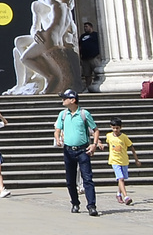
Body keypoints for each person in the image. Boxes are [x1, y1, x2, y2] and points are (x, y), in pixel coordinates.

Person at [53, 88, 100, 216]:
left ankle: (91, 205)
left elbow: (95, 130)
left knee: (87, 178)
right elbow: (57, 129)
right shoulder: (62, 114)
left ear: (73, 100)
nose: (63, 100)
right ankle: (75, 202)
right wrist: (57, 139)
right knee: (70, 179)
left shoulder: (84, 114)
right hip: (68, 150)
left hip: (83, 150)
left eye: (65, 98)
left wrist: (94, 144)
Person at [106, 116, 139, 205]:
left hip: (124, 160)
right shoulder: (109, 136)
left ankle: (118, 194)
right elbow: (107, 143)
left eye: (117, 128)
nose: (115, 130)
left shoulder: (124, 137)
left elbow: (131, 147)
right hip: (114, 160)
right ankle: (126, 196)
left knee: (122, 179)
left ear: (121, 127)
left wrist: (136, 159)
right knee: (120, 178)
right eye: (113, 128)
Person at [78, 21, 100, 90]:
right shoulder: (83, 36)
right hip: (85, 58)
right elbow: (80, 46)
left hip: (94, 57)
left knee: (97, 72)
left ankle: (97, 84)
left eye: (86, 27)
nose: (85, 28)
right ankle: (88, 87)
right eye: (84, 27)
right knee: (87, 74)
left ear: (91, 27)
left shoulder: (95, 35)